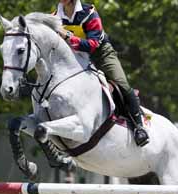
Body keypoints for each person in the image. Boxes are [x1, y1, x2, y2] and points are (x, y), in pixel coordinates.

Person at [55, 0, 149, 147]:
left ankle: (139, 127)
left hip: (101, 55)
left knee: (122, 84)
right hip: (77, 58)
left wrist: (67, 37)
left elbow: (93, 45)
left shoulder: (89, 13)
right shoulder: (55, 15)